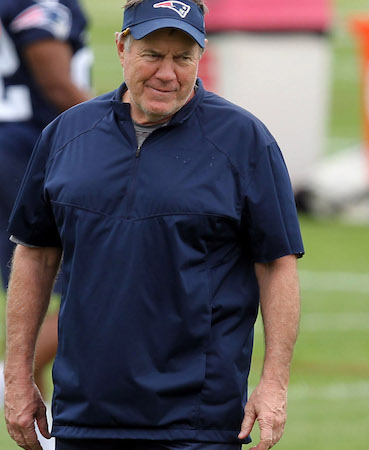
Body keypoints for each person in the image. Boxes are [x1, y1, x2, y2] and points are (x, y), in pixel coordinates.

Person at [3, 0, 304, 449]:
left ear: (201, 55)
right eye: (153, 55)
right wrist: (17, 376)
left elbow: (277, 264)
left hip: (198, 422)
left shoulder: (244, 141)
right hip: (83, 416)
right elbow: (35, 254)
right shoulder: (67, 134)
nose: (168, 74)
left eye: (183, 58)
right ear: (121, 48)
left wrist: (274, 383)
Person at [0, 0, 92, 401]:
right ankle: (12, 377)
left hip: (14, 150)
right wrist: (110, 131)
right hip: (28, 152)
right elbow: (54, 81)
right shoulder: (42, 4)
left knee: (30, 285)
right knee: (92, 285)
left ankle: (37, 407)